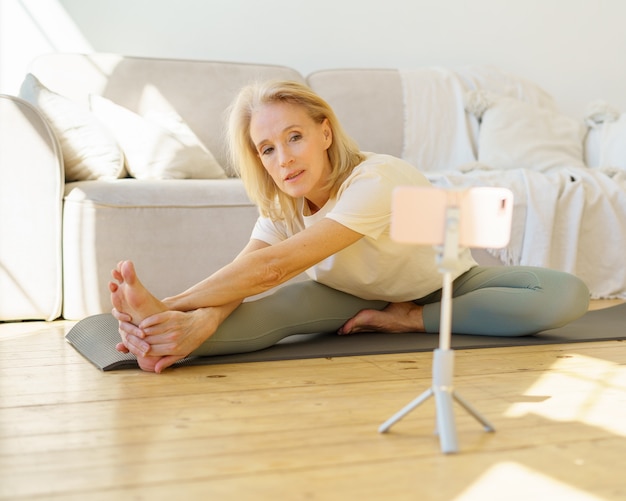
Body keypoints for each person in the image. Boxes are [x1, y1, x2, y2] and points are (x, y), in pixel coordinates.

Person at [110, 80, 590, 373]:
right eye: (268, 148)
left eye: (294, 136)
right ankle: (161, 339)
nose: (284, 158)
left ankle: (410, 321)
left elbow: (273, 268)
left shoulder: (375, 179)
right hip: (348, 294)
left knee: (564, 294)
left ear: (325, 132)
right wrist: (194, 318)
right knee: (266, 317)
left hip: (444, 284)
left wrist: (169, 302)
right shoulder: (285, 201)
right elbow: (249, 270)